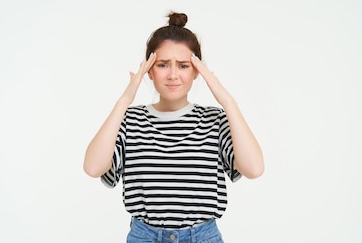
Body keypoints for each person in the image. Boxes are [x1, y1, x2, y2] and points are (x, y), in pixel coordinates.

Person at [83, 11, 264, 243]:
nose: (172, 75)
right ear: (149, 70)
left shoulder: (215, 120)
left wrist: (227, 101)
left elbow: (254, 168)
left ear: (197, 71)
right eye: (162, 64)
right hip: (144, 237)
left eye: (183, 66)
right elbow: (93, 168)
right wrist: (124, 100)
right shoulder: (129, 120)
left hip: (202, 237)